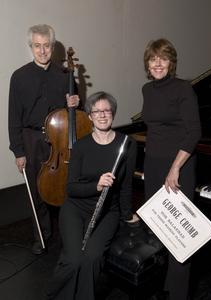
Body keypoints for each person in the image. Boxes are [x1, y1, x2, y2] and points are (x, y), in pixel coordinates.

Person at [46, 91, 137, 300]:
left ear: (113, 113)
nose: (102, 115)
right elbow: (71, 188)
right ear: (89, 116)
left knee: (93, 257)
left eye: (107, 110)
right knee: (74, 259)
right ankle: (55, 295)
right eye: (97, 111)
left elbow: (126, 186)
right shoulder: (81, 146)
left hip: (108, 211)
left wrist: (127, 215)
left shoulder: (126, 144)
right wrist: (96, 186)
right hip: (76, 208)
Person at [8, 24, 79, 255]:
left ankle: (68, 234)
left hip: (57, 141)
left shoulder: (65, 75)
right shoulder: (19, 77)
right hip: (31, 139)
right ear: (31, 47)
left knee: (63, 189)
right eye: (37, 46)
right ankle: (42, 236)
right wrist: (18, 151)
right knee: (37, 191)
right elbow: (13, 116)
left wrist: (74, 106)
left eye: (46, 45)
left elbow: (76, 115)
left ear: (52, 47)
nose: (42, 51)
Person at [142, 38, 201, 300]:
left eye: (163, 59)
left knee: (179, 237)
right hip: (153, 165)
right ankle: (160, 288)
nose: (158, 63)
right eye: (153, 59)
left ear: (171, 63)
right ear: (147, 63)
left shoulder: (183, 88)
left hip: (178, 168)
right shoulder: (146, 89)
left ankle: (178, 294)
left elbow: (193, 133)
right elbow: (154, 127)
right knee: (156, 229)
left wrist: (174, 168)